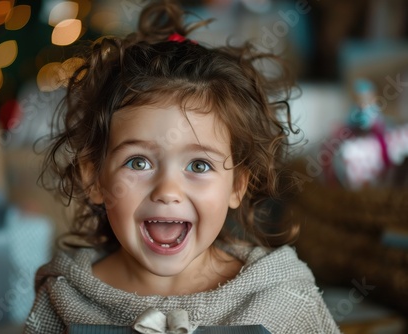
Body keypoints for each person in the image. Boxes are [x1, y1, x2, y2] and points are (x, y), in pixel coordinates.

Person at [25, 0, 340, 333]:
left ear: (237, 185)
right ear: (94, 179)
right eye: (138, 162)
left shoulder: (282, 299)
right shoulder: (64, 300)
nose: (168, 191)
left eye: (200, 165)